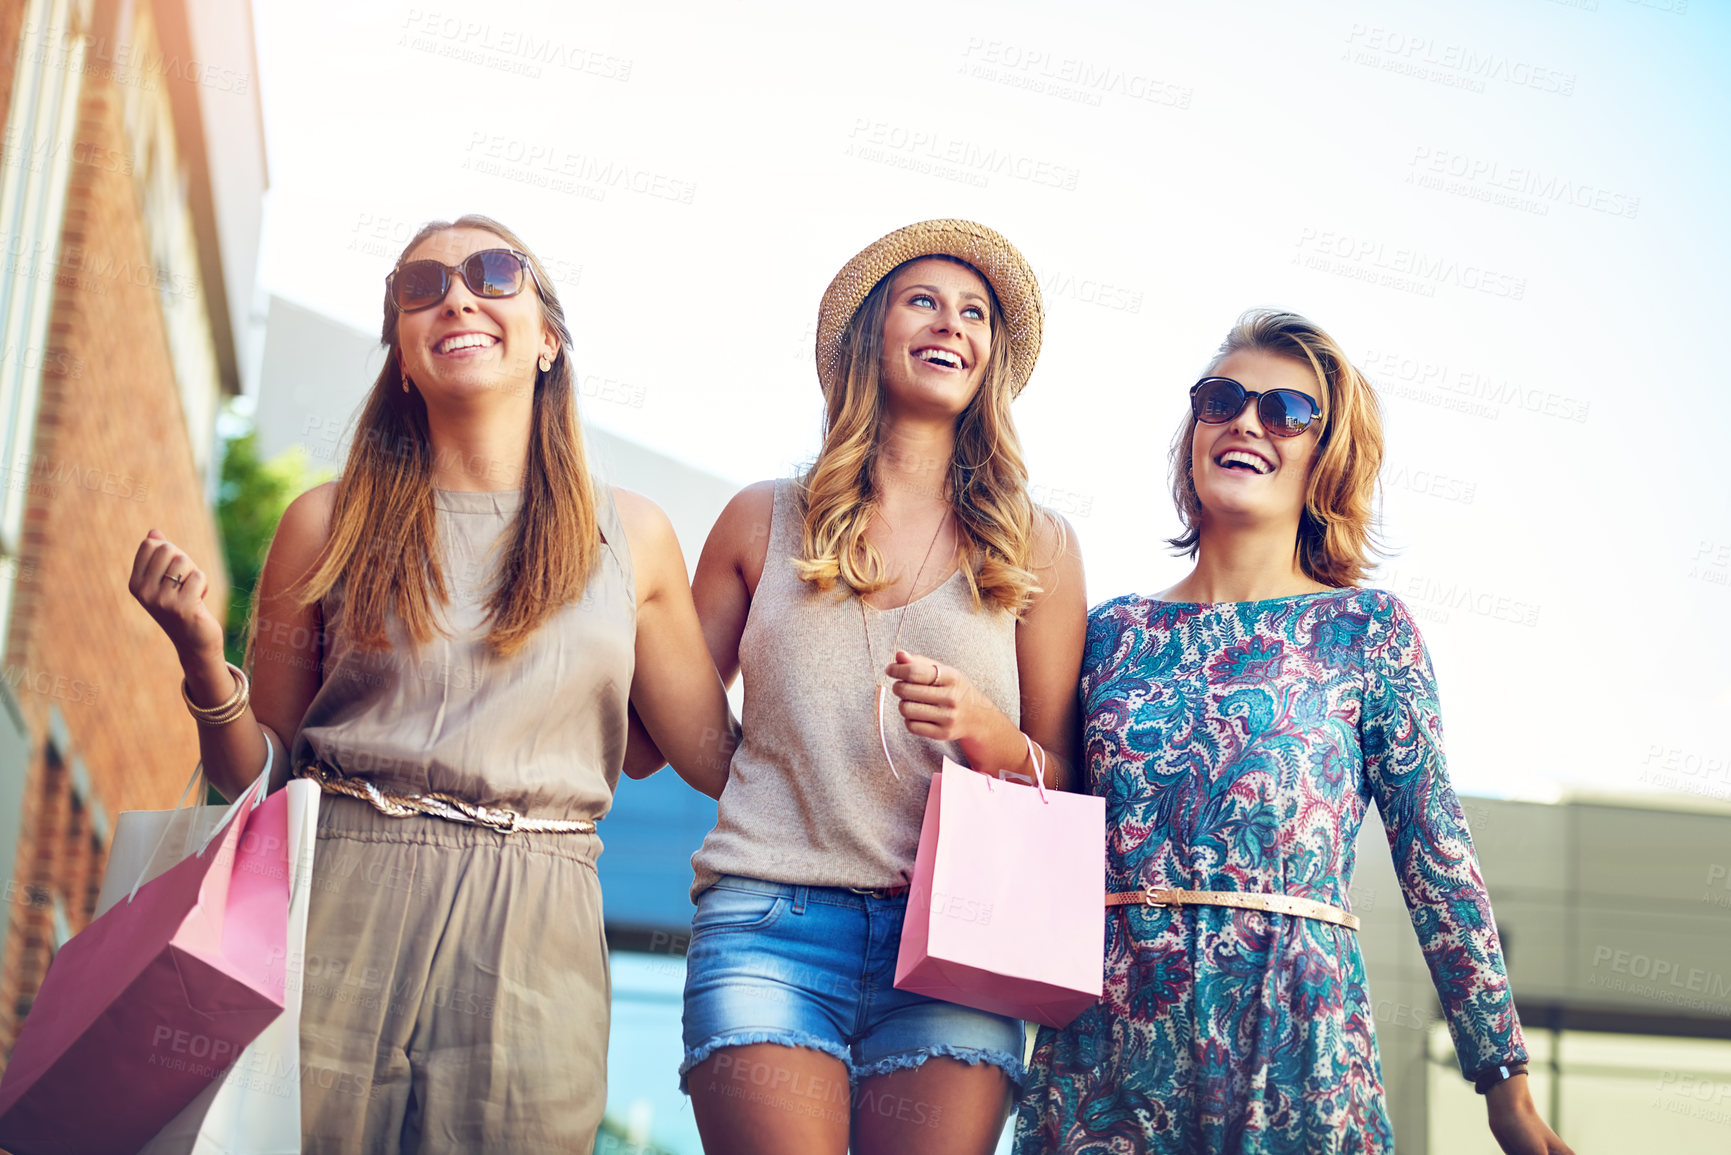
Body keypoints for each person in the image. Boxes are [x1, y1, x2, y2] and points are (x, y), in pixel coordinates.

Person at [128, 214, 735, 1153]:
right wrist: (206, 666)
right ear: (402, 359)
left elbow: (713, 758)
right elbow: (255, 778)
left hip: (537, 916)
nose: (457, 295)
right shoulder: (325, 524)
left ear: (548, 340)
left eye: (495, 274)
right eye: (420, 286)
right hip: (339, 897)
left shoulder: (635, 537)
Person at [1013, 310, 1571, 1155]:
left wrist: (1507, 1090)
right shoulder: (1107, 632)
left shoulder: (1365, 630)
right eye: (1222, 399)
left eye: (1285, 411)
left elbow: (1437, 857)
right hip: (1105, 1057)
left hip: (1296, 1048)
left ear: (1326, 455)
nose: (1245, 421)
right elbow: (1040, 809)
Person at [663, 220, 1087, 1155]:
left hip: (961, 941)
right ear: (871, 334)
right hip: (768, 919)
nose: (953, 325)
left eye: (974, 312)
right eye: (924, 301)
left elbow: (1070, 787)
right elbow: (675, 736)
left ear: (991, 360)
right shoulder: (760, 518)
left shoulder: (1038, 546)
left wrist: (984, 732)